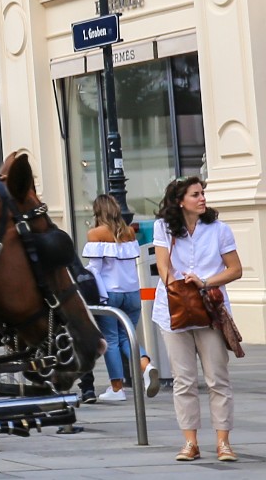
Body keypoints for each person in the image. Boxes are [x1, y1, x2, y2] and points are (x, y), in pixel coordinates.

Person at [153, 177, 241, 463]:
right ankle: (190, 443)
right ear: (181, 201)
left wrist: (203, 282)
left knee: (217, 378)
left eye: (203, 193)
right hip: (173, 310)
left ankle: (223, 442)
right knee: (184, 380)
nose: (202, 198)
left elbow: (235, 269)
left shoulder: (219, 229)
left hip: (209, 311)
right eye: (196, 194)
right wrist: (179, 289)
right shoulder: (164, 227)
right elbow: (163, 265)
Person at [81, 195, 143, 403]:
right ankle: (147, 366)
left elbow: (95, 269)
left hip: (110, 293)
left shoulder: (95, 233)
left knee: (112, 340)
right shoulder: (129, 232)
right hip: (133, 293)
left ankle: (117, 388)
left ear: (98, 211)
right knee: (129, 337)